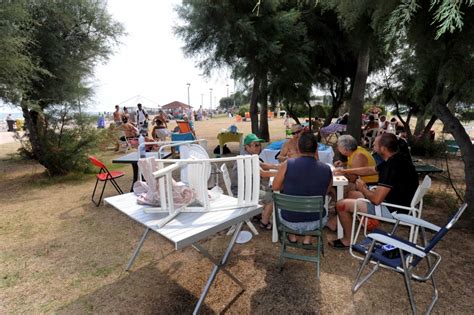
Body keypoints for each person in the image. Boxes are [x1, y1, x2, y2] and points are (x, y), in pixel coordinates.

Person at [327, 133, 419, 249]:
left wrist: (363, 189)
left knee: (341, 205)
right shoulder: (398, 158)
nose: (373, 146)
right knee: (351, 194)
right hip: (400, 202)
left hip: (392, 209)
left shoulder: (391, 167)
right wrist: (345, 171)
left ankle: (347, 240)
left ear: (383, 148)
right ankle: (334, 223)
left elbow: (376, 200)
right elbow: (370, 170)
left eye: (375, 144)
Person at [272, 133, 333, 244]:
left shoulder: (287, 164)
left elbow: (275, 187)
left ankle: (292, 236)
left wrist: (289, 185)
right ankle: (307, 238)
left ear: (298, 148)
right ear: (316, 150)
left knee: (286, 205)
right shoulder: (326, 169)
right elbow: (326, 191)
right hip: (316, 221)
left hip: (289, 219)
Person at [230, 134, 279, 230]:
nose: (259, 147)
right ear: (247, 146)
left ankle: (257, 216)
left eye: (259, 145)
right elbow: (263, 173)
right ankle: (264, 223)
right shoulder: (246, 158)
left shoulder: (249, 155)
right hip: (242, 192)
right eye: (255, 145)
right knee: (272, 197)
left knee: (269, 189)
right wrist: (280, 172)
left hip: (248, 187)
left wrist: (277, 166)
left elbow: (262, 165)